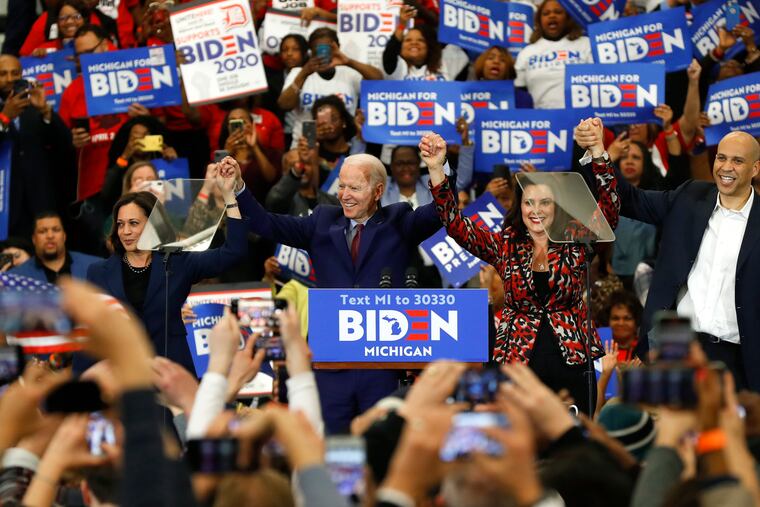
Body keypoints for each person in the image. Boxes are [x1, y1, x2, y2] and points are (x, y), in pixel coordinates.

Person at [234, 146, 455, 433]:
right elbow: (267, 223)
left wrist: (437, 168)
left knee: (377, 443)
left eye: (355, 187)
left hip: (380, 361)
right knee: (332, 445)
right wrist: (239, 187)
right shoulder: (322, 221)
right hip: (330, 362)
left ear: (377, 192)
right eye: (342, 186)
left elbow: (443, 212)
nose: (345, 194)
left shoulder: (398, 221)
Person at [423, 119, 620, 415]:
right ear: (520, 207)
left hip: (572, 357)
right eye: (529, 203)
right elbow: (454, 224)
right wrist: (438, 169)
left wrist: (598, 153)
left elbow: (610, 211)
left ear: (557, 207)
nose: (536, 211)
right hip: (517, 358)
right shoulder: (505, 245)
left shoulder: (576, 241)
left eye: (545, 203)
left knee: (572, 433)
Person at [613, 128, 760, 391]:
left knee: (723, 433)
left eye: (737, 161)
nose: (726, 167)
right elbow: (632, 200)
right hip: (674, 345)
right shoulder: (689, 197)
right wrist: (599, 157)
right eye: (721, 158)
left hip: (736, 359)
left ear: (755, 168)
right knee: (669, 431)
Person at [75, 162, 249, 374]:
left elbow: (234, 252)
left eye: (133, 223)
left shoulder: (177, 261)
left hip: (172, 372)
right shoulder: (98, 272)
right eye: (120, 224)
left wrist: (230, 197)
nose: (125, 231)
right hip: (124, 378)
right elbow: (90, 332)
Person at [0, 54, 74, 238]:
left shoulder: (33, 106)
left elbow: (65, 145)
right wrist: (4, 118)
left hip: (41, 201)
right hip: (5, 204)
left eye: (15, 73)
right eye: (3, 74)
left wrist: (45, 111)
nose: (10, 79)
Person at [513, 0, 591, 109]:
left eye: (558, 12)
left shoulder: (586, 44)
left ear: (568, 17)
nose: (552, 16)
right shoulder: (527, 52)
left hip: (583, 119)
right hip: (543, 121)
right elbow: (519, 92)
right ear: (539, 20)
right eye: (546, 13)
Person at [10, 212, 100, 283]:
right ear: (34, 239)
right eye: (42, 231)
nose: (50, 236)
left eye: (56, 230)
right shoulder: (16, 277)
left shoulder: (95, 266)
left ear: (64, 236)